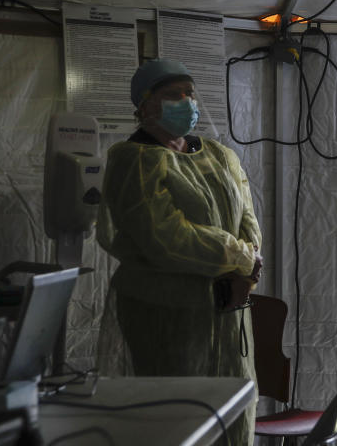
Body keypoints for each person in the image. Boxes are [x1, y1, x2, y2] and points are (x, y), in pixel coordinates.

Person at [95, 58, 263, 446]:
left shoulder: (219, 154)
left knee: (234, 412)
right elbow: (165, 236)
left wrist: (248, 262)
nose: (186, 101)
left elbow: (247, 213)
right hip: (167, 312)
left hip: (228, 309)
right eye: (173, 95)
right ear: (143, 106)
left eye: (189, 93)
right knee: (179, 417)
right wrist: (241, 258)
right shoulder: (134, 160)